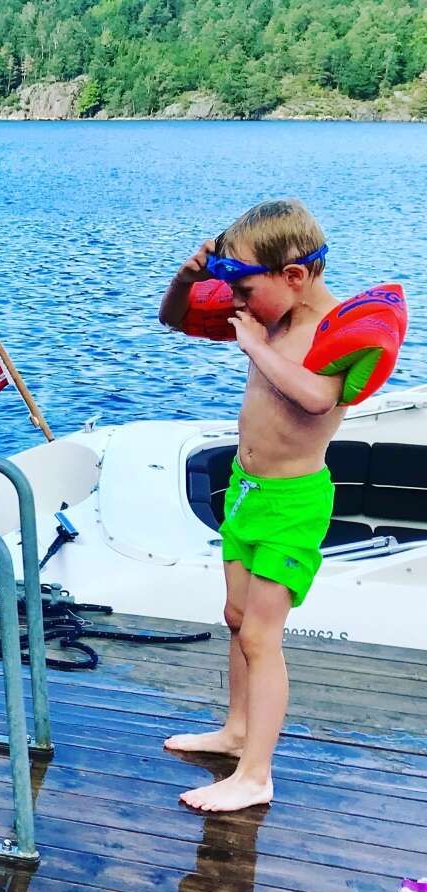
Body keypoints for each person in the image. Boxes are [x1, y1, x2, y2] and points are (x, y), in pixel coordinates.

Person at [158, 199, 406, 812]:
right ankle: (236, 730)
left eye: (243, 289)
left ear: (294, 275)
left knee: (262, 638)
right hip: (247, 490)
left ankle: (256, 775)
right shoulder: (267, 316)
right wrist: (187, 279)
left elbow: (317, 398)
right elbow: (173, 318)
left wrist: (252, 346)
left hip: (293, 503)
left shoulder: (334, 332)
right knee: (236, 619)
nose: (235, 301)